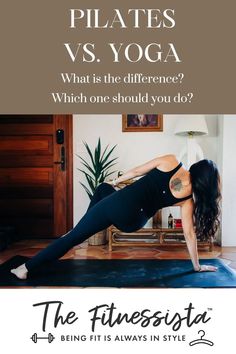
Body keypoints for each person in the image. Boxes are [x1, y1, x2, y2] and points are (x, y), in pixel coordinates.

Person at [11, 154, 221, 280]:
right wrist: (196, 265)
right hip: (134, 222)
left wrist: (117, 180)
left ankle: (25, 268)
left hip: (120, 205)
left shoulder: (171, 160)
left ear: (197, 167)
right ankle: (78, 229)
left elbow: (136, 171)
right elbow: (189, 233)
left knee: (72, 238)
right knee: (104, 189)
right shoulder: (188, 200)